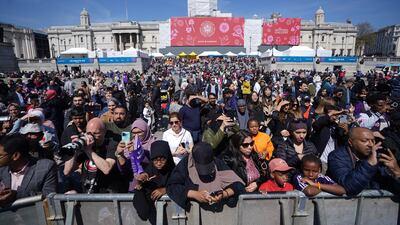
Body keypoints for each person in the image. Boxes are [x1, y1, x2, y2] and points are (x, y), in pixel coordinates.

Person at [166, 142, 245, 211]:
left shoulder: (217, 163)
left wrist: (223, 194)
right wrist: (195, 194)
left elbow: (238, 184)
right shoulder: (185, 165)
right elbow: (172, 187)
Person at [63, 118, 129, 193]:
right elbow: (67, 171)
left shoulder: (112, 143)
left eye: (95, 133)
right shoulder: (85, 144)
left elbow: (106, 169)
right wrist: (74, 149)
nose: (91, 136)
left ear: (104, 132)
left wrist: (88, 150)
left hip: (109, 194)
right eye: (89, 133)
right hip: (89, 193)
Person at [328, 127, 400, 195]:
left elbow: (392, 188)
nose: (371, 145)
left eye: (373, 141)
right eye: (365, 141)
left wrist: (397, 173)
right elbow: (349, 187)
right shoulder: (337, 157)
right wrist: (369, 164)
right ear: (350, 142)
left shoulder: (378, 158)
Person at [0, 134, 57, 206]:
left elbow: (49, 197)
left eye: (0, 156)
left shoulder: (45, 168)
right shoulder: (2, 169)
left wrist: (16, 195)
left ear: (15, 155)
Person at [133, 141, 175, 225]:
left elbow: (182, 185)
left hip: (173, 217)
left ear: (168, 157)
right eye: (155, 159)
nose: (159, 163)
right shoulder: (149, 172)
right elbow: (143, 212)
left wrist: (166, 190)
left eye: (162, 159)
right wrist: (139, 185)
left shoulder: (175, 171)